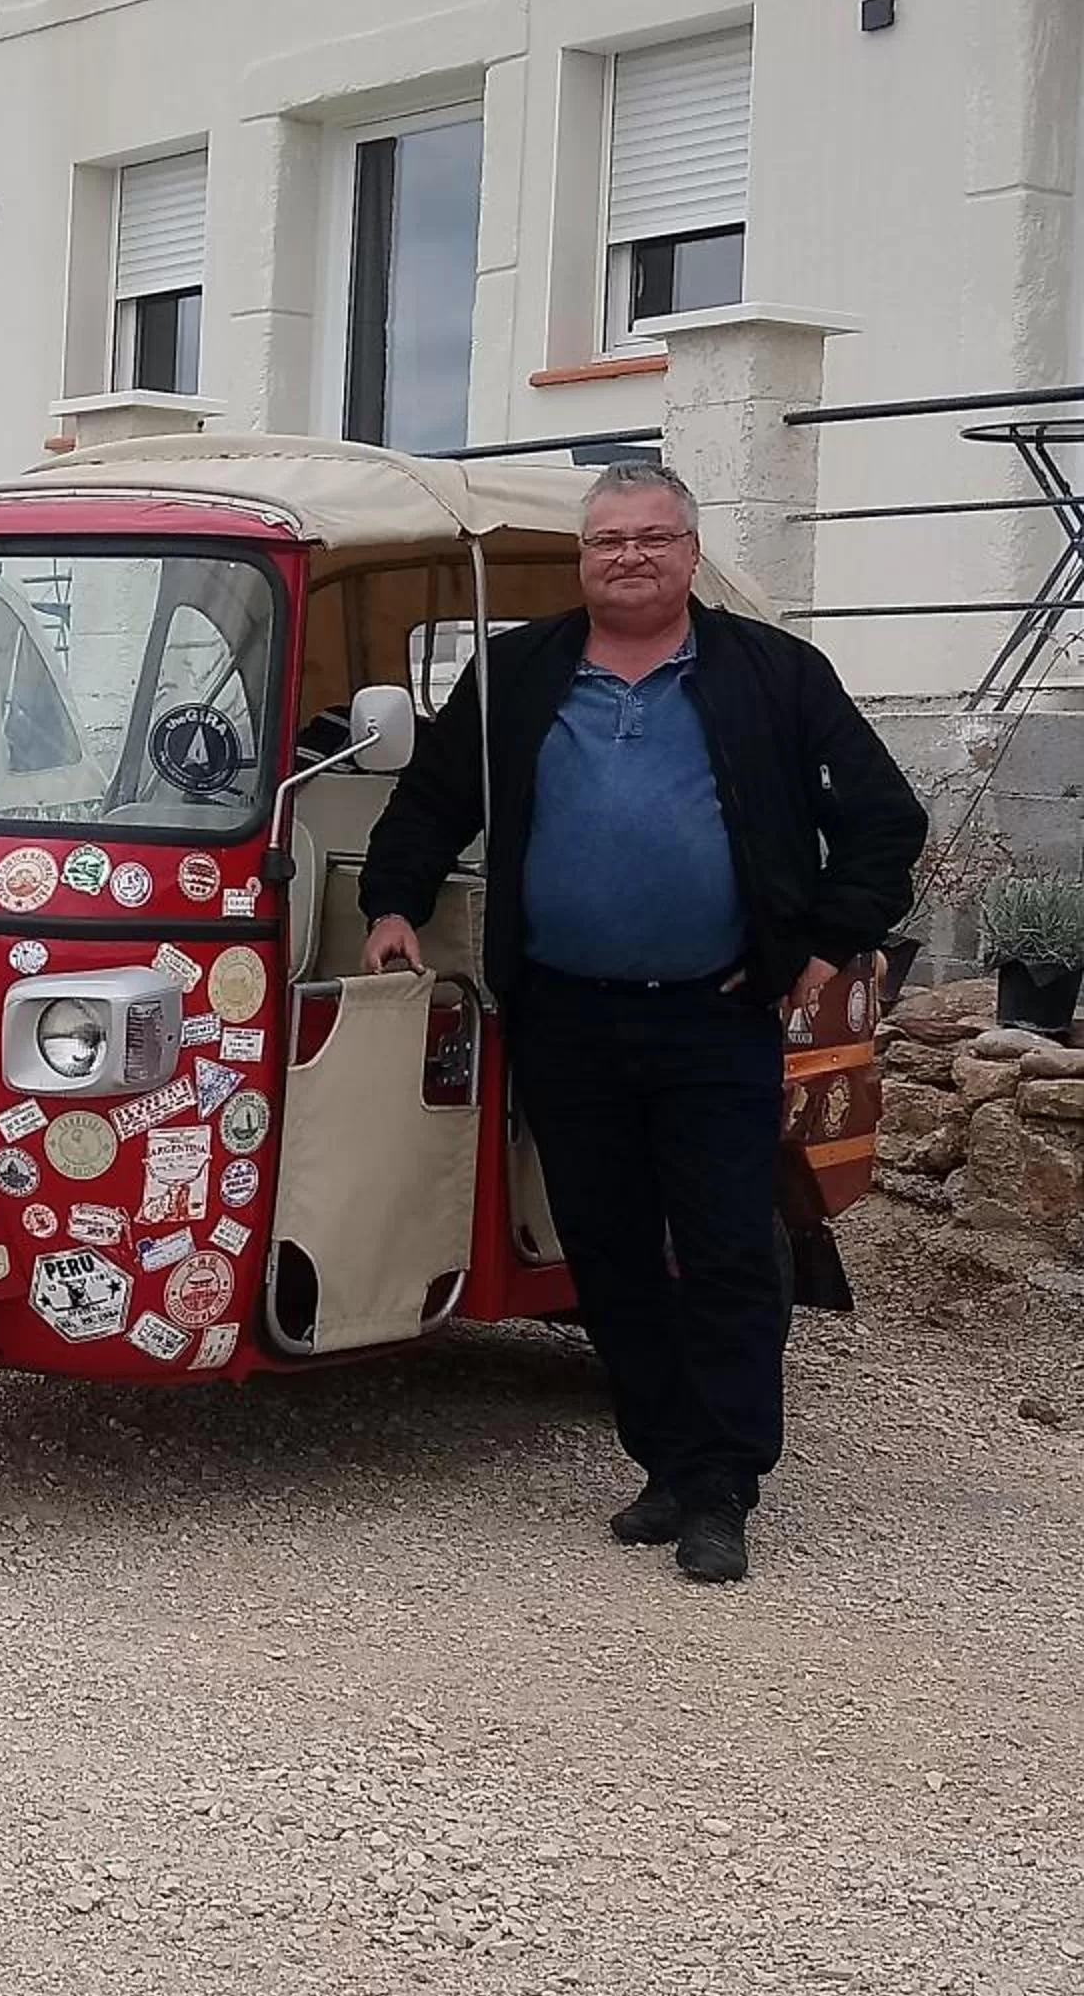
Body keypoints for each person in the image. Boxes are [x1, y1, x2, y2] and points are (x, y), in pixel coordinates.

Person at [357, 460, 923, 1584]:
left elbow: (883, 820)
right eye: (608, 538)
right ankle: (666, 1459)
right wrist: (391, 902)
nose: (629, 556)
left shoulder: (774, 675)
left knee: (720, 1249)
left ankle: (723, 1484)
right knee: (606, 1249)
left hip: (718, 1016)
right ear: (584, 556)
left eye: (653, 538)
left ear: (689, 552)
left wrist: (818, 948)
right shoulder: (520, 673)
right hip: (564, 1015)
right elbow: (431, 799)